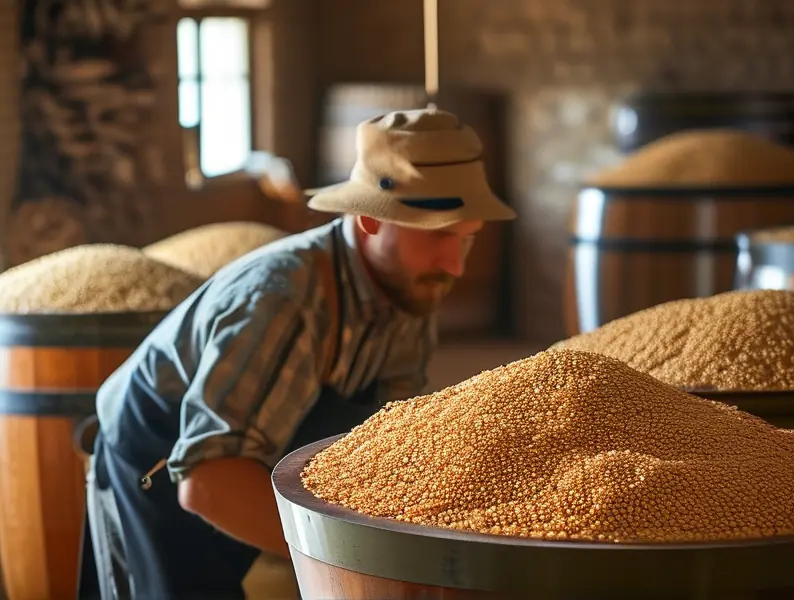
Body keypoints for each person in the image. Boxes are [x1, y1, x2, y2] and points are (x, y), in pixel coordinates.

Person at [83, 108, 516, 599]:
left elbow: (392, 442)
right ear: (370, 218)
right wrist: (355, 558)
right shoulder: (283, 301)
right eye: (439, 235)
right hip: (161, 458)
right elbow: (207, 482)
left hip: (251, 454)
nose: (456, 266)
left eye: (468, 238)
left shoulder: (411, 289)